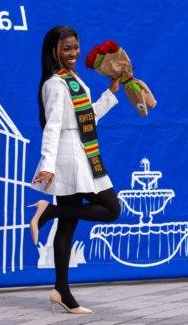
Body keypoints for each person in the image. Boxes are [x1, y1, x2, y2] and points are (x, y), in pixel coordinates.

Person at [29, 25, 122, 314]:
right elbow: (53, 126)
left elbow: (86, 117)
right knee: (110, 209)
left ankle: (61, 290)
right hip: (69, 156)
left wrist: (110, 94)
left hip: (83, 150)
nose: (73, 53)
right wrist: (47, 166)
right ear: (54, 51)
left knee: (70, 224)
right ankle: (64, 291)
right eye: (66, 48)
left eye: (75, 47)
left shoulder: (72, 79)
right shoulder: (55, 84)